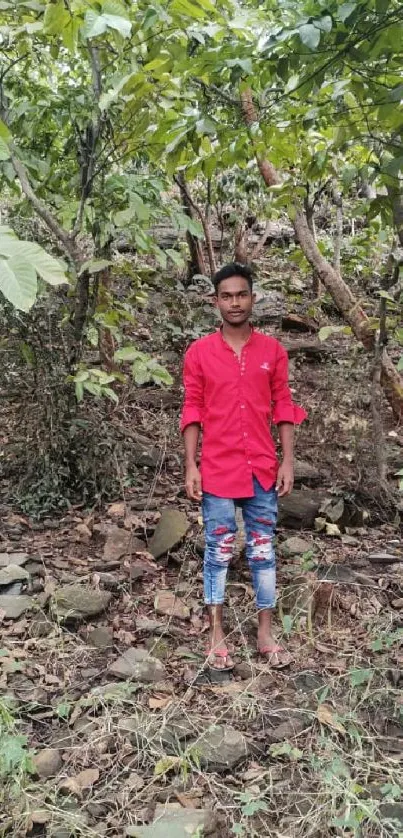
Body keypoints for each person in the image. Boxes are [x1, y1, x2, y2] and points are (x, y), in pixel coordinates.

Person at [181, 263, 307, 670]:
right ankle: (216, 636)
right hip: (217, 468)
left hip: (262, 469)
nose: (234, 302)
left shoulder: (273, 351)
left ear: (253, 298)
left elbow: (283, 408)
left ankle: (265, 634)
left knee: (262, 551)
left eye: (241, 294)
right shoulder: (199, 352)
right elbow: (193, 410)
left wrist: (288, 460)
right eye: (227, 296)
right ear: (215, 301)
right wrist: (191, 466)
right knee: (217, 550)